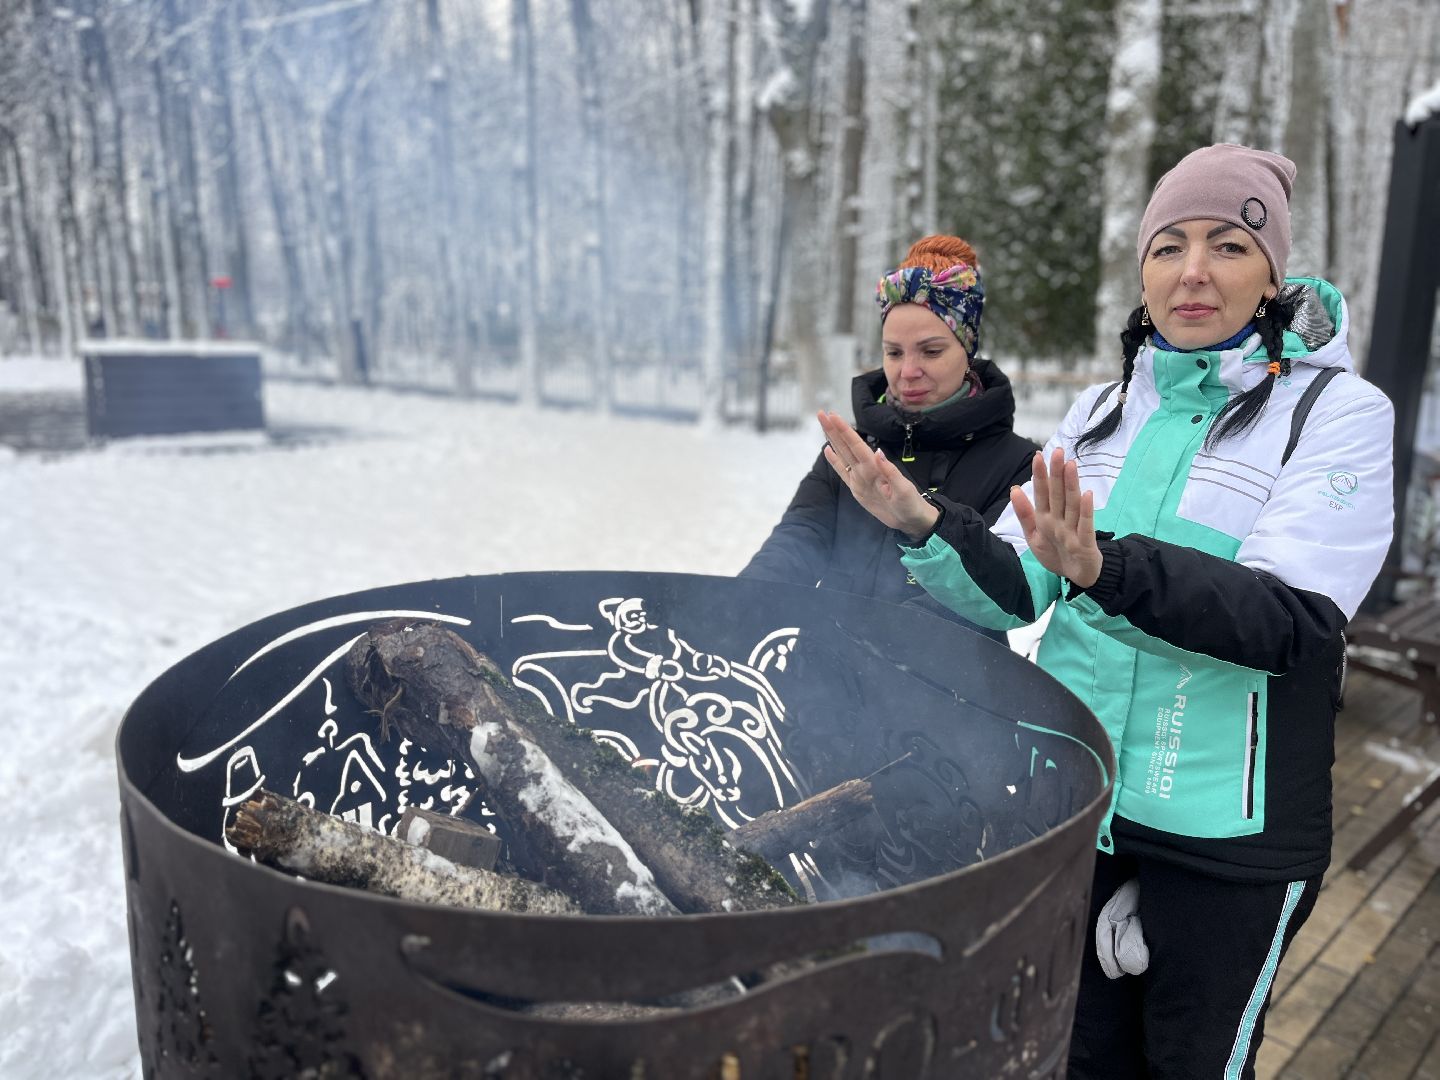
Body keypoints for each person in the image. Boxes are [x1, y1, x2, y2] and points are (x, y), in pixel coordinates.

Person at [816, 144, 1395, 1077]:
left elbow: (1293, 621)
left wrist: (1105, 568)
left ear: (1272, 274)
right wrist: (925, 526)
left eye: (1226, 245)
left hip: (1223, 840)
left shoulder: (1337, 414)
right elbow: (1017, 586)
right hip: (1080, 804)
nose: (1193, 271)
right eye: (1168, 246)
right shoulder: (1102, 409)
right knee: (1073, 1056)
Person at [740, 234, 1036, 638]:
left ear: (967, 350)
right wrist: (741, 604)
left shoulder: (1016, 464)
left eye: (930, 352)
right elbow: (800, 538)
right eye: (894, 352)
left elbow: (1002, 588)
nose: (907, 371)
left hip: (951, 688)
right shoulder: (853, 451)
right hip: (827, 672)